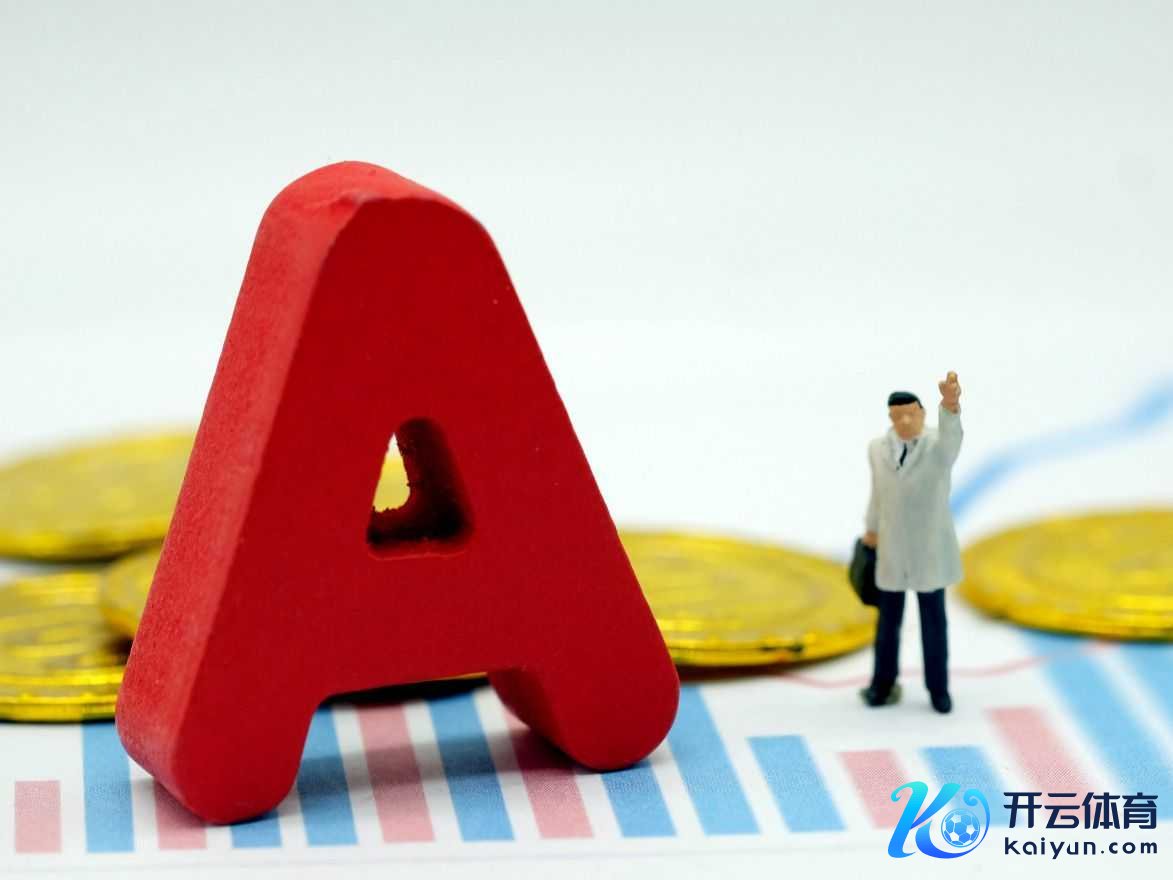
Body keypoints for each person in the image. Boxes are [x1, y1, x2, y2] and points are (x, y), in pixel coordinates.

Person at [859, 371, 963, 714]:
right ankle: (882, 684)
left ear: (922, 414)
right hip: (891, 549)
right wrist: (871, 529)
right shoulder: (877, 449)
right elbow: (878, 493)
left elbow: (952, 440)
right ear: (890, 418)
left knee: (933, 622)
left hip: (928, 549)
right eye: (897, 415)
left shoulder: (937, 448)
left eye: (911, 414)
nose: (904, 421)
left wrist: (950, 406)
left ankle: (938, 689)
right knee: (887, 623)